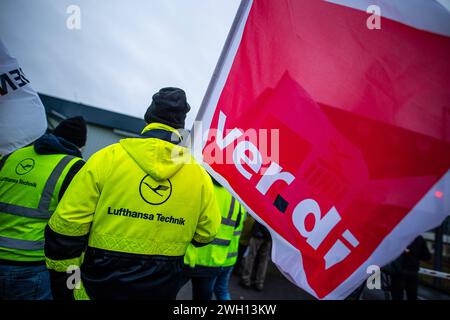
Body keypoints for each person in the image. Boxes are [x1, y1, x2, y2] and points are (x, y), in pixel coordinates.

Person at [44, 87, 221, 300]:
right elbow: (206, 234)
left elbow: (65, 229)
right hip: (161, 289)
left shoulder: (106, 158)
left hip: (97, 287)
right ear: (181, 125)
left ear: (149, 118)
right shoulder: (198, 175)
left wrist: (69, 287)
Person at [0, 116, 87, 300]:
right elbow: (74, 224)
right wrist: (74, 278)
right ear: (80, 146)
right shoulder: (74, 167)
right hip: (33, 264)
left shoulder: (12, 155)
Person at [182, 177, 246, 300]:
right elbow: (238, 223)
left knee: (168, 292)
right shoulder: (235, 196)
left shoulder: (201, 183)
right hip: (214, 260)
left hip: (189, 255)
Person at [389, 235, 431, 300]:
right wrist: (415, 255)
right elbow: (427, 257)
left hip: (398, 273)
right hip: (413, 273)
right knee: (412, 296)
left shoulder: (397, 237)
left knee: (397, 296)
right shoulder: (419, 238)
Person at [240, 221, 272, 291]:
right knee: (263, 260)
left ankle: (246, 279)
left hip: (258, 233)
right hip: (269, 236)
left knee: (251, 257)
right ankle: (259, 283)